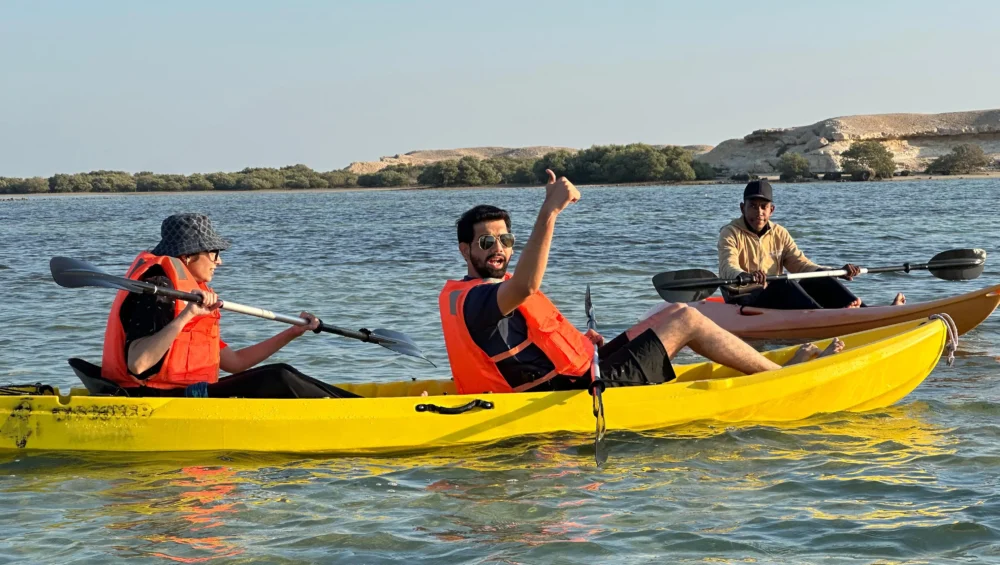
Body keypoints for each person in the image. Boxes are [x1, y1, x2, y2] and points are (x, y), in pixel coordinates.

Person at [437, 171, 842, 395]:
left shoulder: (479, 293)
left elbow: (523, 340)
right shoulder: (477, 299)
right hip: (574, 392)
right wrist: (550, 210)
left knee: (666, 312)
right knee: (686, 318)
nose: (499, 249)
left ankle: (765, 368)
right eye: (486, 242)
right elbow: (525, 287)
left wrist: (582, 340)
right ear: (464, 250)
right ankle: (777, 377)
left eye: (506, 240)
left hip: (582, 370)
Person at [101, 213, 356, 398]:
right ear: (188, 256)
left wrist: (292, 332)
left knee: (280, 373)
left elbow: (234, 363)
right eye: (214, 253)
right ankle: (355, 412)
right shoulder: (156, 291)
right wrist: (185, 317)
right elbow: (138, 363)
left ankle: (356, 406)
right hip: (154, 400)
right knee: (278, 376)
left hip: (182, 395)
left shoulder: (189, 293)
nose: (219, 262)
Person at [718, 180, 905, 309]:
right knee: (783, 283)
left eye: (763, 207)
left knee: (817, 277)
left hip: (772, 293)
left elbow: (801, 265)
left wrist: (834, 271)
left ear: (771, 210)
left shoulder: (779, 232)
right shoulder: (730, 232)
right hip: (744, 298)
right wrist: (745, 275)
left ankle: (866, 312)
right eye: (752, 206)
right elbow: (728, 267)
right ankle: (829, 317)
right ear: (742, 207)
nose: (758, 212)